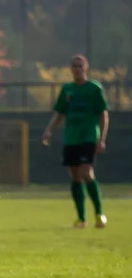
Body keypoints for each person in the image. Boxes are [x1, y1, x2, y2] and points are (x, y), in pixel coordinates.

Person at [41, 54, 109, 228]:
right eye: (74, 66)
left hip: (88, 137)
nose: (77, 69)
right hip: (71, 138)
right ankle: (81, 218)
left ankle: (99, 214)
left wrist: (101, 139)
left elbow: (103, 114)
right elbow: (59, 112)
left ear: (86, 68)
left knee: (86, 172)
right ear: (71, 69)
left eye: (80, 66)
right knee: (75, 176)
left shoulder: (94, 88)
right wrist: (49, 130)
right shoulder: (67, 89)